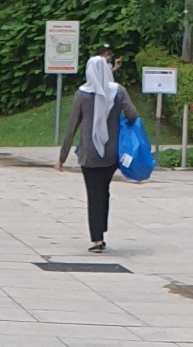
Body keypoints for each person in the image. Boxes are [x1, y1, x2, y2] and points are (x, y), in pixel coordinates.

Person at [57, 56, 138, 253]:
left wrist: (62, 156)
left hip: (89, 153)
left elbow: (72, 126)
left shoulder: (82, 95)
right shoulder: (118, 91)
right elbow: (132, 114)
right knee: (104, 191)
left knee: (94, 194)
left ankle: (96, 239)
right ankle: (101, 228)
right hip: (112, 153)